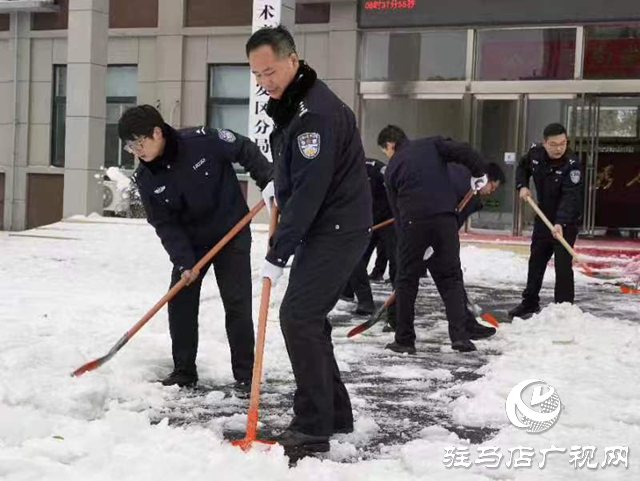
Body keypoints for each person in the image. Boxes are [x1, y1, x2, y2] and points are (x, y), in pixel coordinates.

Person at [246, 26, 372, 454]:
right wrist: (277, 186)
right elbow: (297, 173)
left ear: (292, 60)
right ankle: (334, 412)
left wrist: (278, 252)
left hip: (335, 227)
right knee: (309, 319)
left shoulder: (313, 113)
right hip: (328, 226)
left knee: (298, 317)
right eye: (257, 75)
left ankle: (312, 427)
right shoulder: (293, 106)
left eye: (270, 71)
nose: (265, 82)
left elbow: (313, 190)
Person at [118, 105, 274, 388]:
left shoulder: (202, 142)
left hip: (232, 232)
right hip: (191, 243)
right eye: (130, 146)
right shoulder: (146, 179)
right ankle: (184, 370)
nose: (136, 151)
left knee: (236, 302)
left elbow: (244, 149)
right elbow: (164, 224)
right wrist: (184, 261)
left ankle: (245, 375)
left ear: (157, 132)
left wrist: (269, 180)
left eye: (138, 142)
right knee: (180, 301)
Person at [378, 125, 487, 353]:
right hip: (445, 220)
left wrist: (411, 243)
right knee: (451, 279)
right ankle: (460, 338)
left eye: (385, 151)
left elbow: (397, 212)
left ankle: (405, 340)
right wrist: (479, 174)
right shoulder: (432, 144)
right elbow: (464, 151)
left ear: (390, 145)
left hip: (412, 224)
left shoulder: (391, 169)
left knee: (406, 281)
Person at [509, 123, 583, 319]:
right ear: (544, 143)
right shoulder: (535, 154)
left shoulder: (572, 164)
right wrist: (522, 186)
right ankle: (529, 303)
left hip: (565, 222)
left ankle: (564, 308)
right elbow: (522, 168)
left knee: (562, 264)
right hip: (543, 217)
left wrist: (560, 222)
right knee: (536, 261)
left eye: (563, 143)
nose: (559, 148)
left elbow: (571, 197)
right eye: (554, 144)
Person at [340, 157, 395, 315]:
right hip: (364, 220)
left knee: (396, 259)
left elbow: (396, 186)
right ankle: (356, 295)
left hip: (388, 218)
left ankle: (399, 304)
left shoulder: (375, 168)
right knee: (356, 257)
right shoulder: (338, 173)